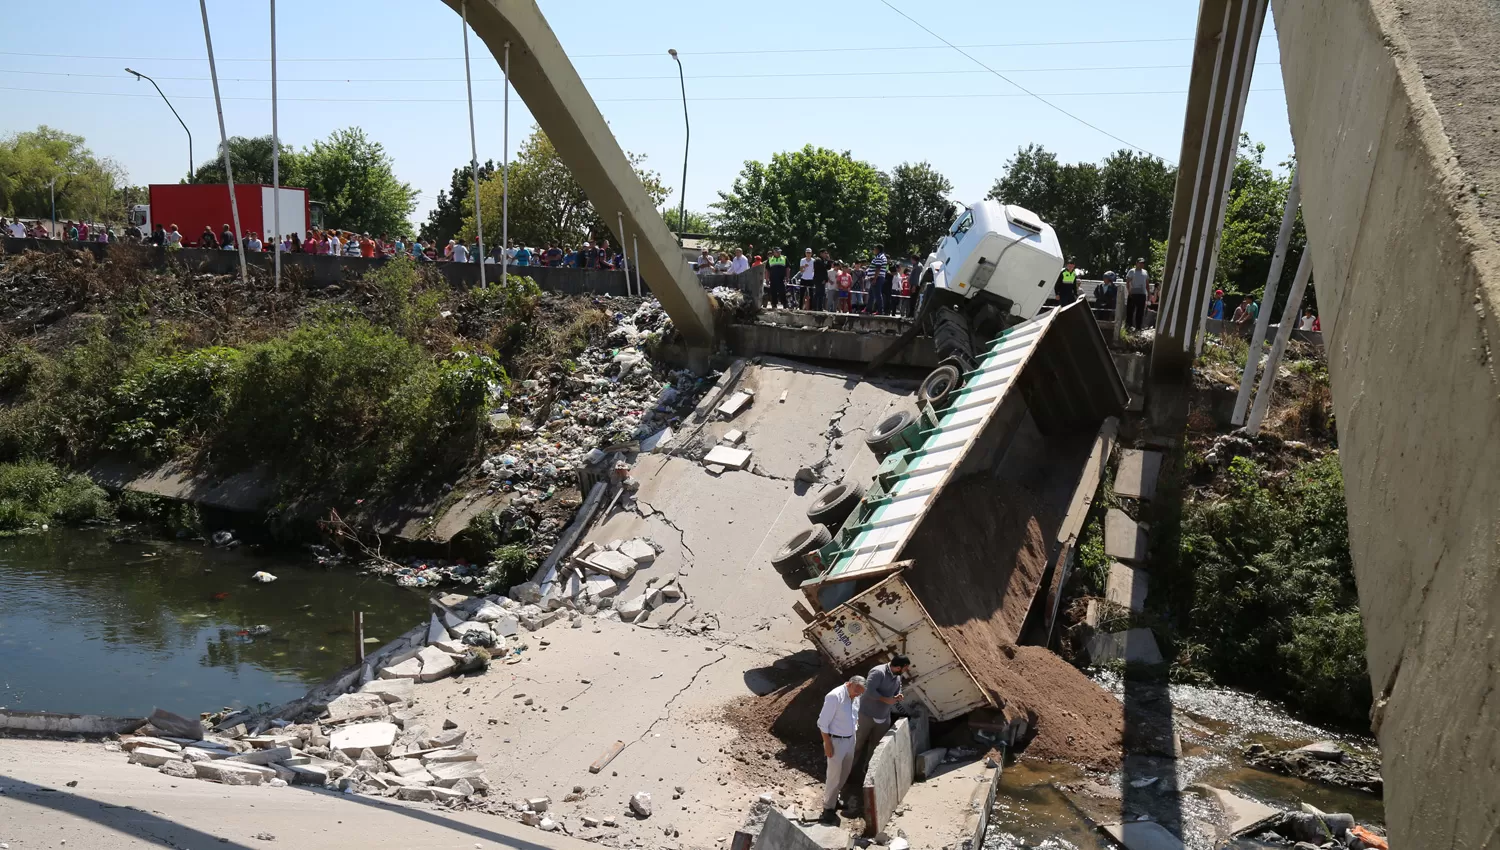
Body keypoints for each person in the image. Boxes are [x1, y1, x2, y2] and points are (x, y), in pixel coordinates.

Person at [846, 656, 910, 813]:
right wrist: (886, 699)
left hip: (883, 717)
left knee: (875, 748)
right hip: (866, 715)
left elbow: (898, 686)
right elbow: (868, 691)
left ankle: (866, 774)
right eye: (905, 668)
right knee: (858, 743)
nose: (905, 671)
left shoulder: (897, 676)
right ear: (897, 666)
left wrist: (898, 695)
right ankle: (846, 773)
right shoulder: (878, 672)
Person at [817, 675, 867, 825]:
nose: (858, 694)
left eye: (861, 693)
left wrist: (854, 728)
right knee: (833, 775)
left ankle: (834, 800)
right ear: (849, 684)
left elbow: (854, 714)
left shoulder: (856, 695)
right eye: (856, 691)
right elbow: (822, 723)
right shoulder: (834, 697)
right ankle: (828, 808)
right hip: (836, 741)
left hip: (850, 739)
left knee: (844, 772)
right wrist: (827, 743)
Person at [1124, 258, 1151, 331]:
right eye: (1140, 263)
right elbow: (1128, 282)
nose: (1141, 264)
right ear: (1136, 263)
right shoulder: (1132, 271)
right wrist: (1129, 291)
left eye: (1143, 263)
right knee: (1130, 311)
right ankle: (1128, 326)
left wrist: (1149, 294)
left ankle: (1138, 327)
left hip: (1142, 294)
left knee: (1140, 311)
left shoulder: (1145, 272)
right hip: (1133, 293)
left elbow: (1147, 284)